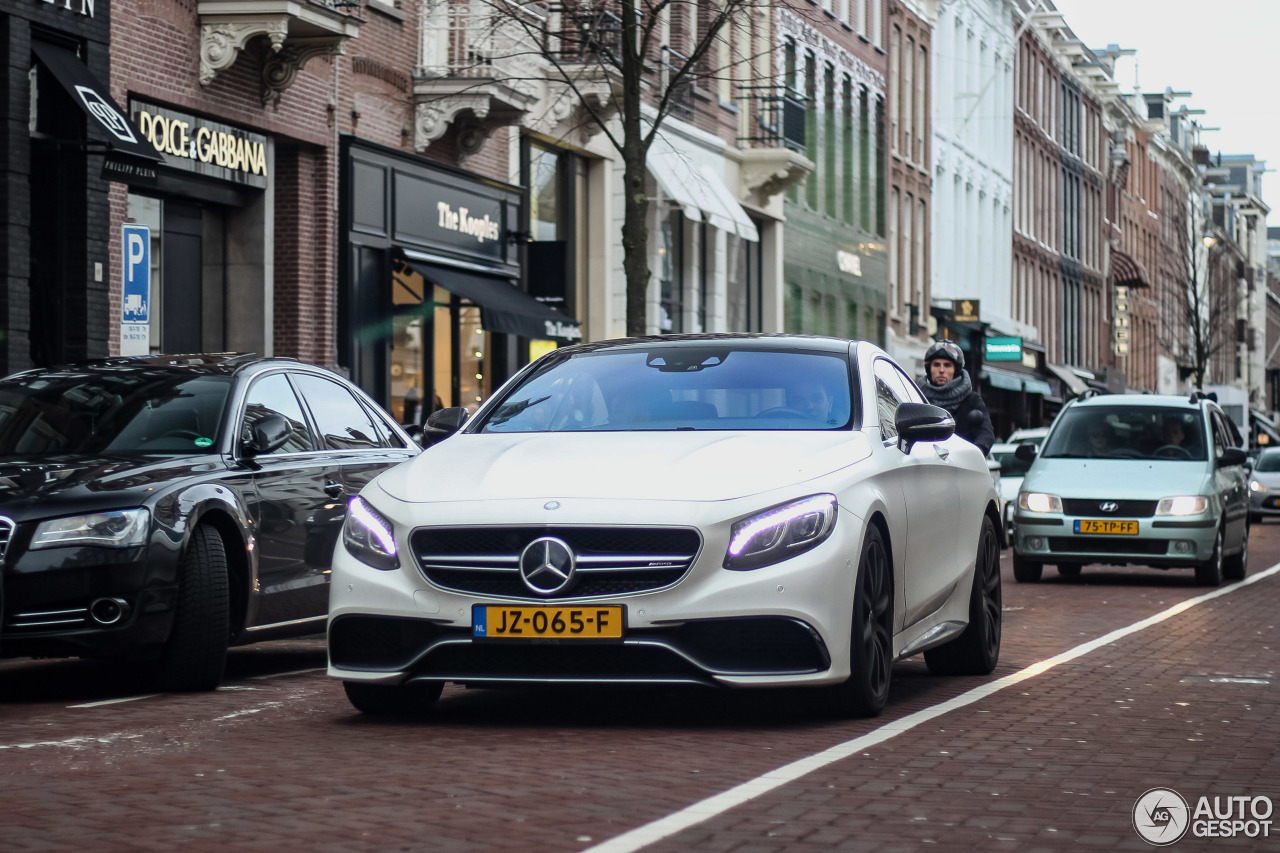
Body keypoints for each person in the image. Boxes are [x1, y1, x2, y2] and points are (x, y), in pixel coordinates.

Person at [916, 339, 995, 455]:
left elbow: (986, 432)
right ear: (929, 369)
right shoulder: (917, 397)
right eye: (936, 365)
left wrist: (977, 452)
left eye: (947, 365)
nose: (941, 370)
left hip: (962, 463)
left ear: (956, 370)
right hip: (924, 461)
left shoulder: (972, 400)